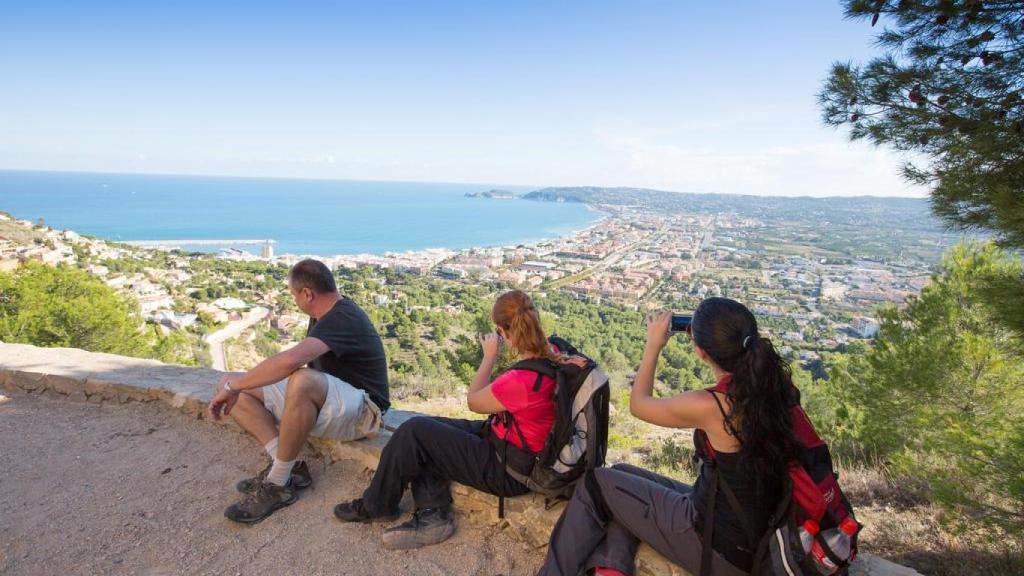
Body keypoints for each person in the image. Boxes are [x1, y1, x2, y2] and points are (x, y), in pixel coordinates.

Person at [539, 297, 799, 576]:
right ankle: (611, 569)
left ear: (700, 351)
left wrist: (653, 345)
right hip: (745, 522)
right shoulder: (774, 386)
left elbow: (639, 405)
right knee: (622, 473)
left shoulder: (715, 405)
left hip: (719, 545)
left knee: (595, 483)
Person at [333, 290, 585, 550]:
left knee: (416, 431)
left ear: (503, 331)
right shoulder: (557, 351)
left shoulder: (521, 380)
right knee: (425, 432)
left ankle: (377, 506)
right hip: (519, 448)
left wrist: (489, 356)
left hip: (510, 470)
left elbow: (474, 401)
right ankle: (432, 513)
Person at [207, 258, 390, 524]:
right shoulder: (322, 315)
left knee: (300, 380)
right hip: (335, 403)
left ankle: (278, 484)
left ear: (307, 293)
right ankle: (287, 466)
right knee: (232, 381)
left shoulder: (343, 316)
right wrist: (233, 385)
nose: (294, 300)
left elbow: (292, 361)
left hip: (365, 413)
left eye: (294, 294)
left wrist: (235, 387)